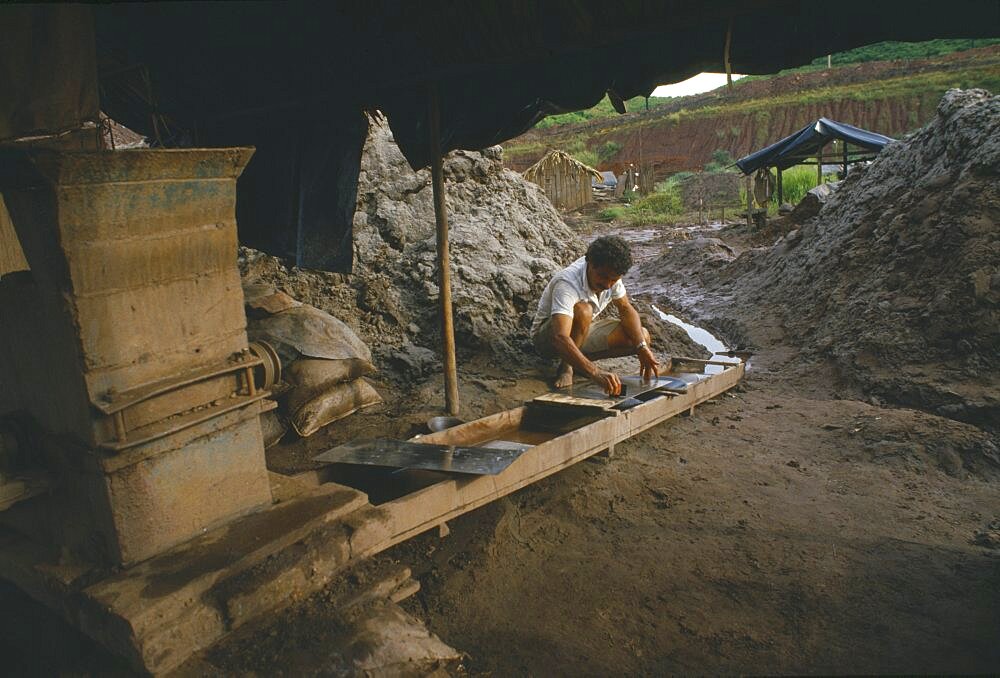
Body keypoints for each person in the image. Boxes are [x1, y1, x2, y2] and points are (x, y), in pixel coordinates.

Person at [531, 235, 659, 395]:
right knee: (584, 311)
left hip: (578, 333)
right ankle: (566, 367)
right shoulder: (567, 282)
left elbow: (625, 308)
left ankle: (578, 362)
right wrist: (595, 373)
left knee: (642, 337)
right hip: (548, 341)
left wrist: (642, 348)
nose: (607, 285)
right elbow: (559, 337)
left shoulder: (610, 272)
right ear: (590, 264)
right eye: (603, 277)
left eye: (613, 280)